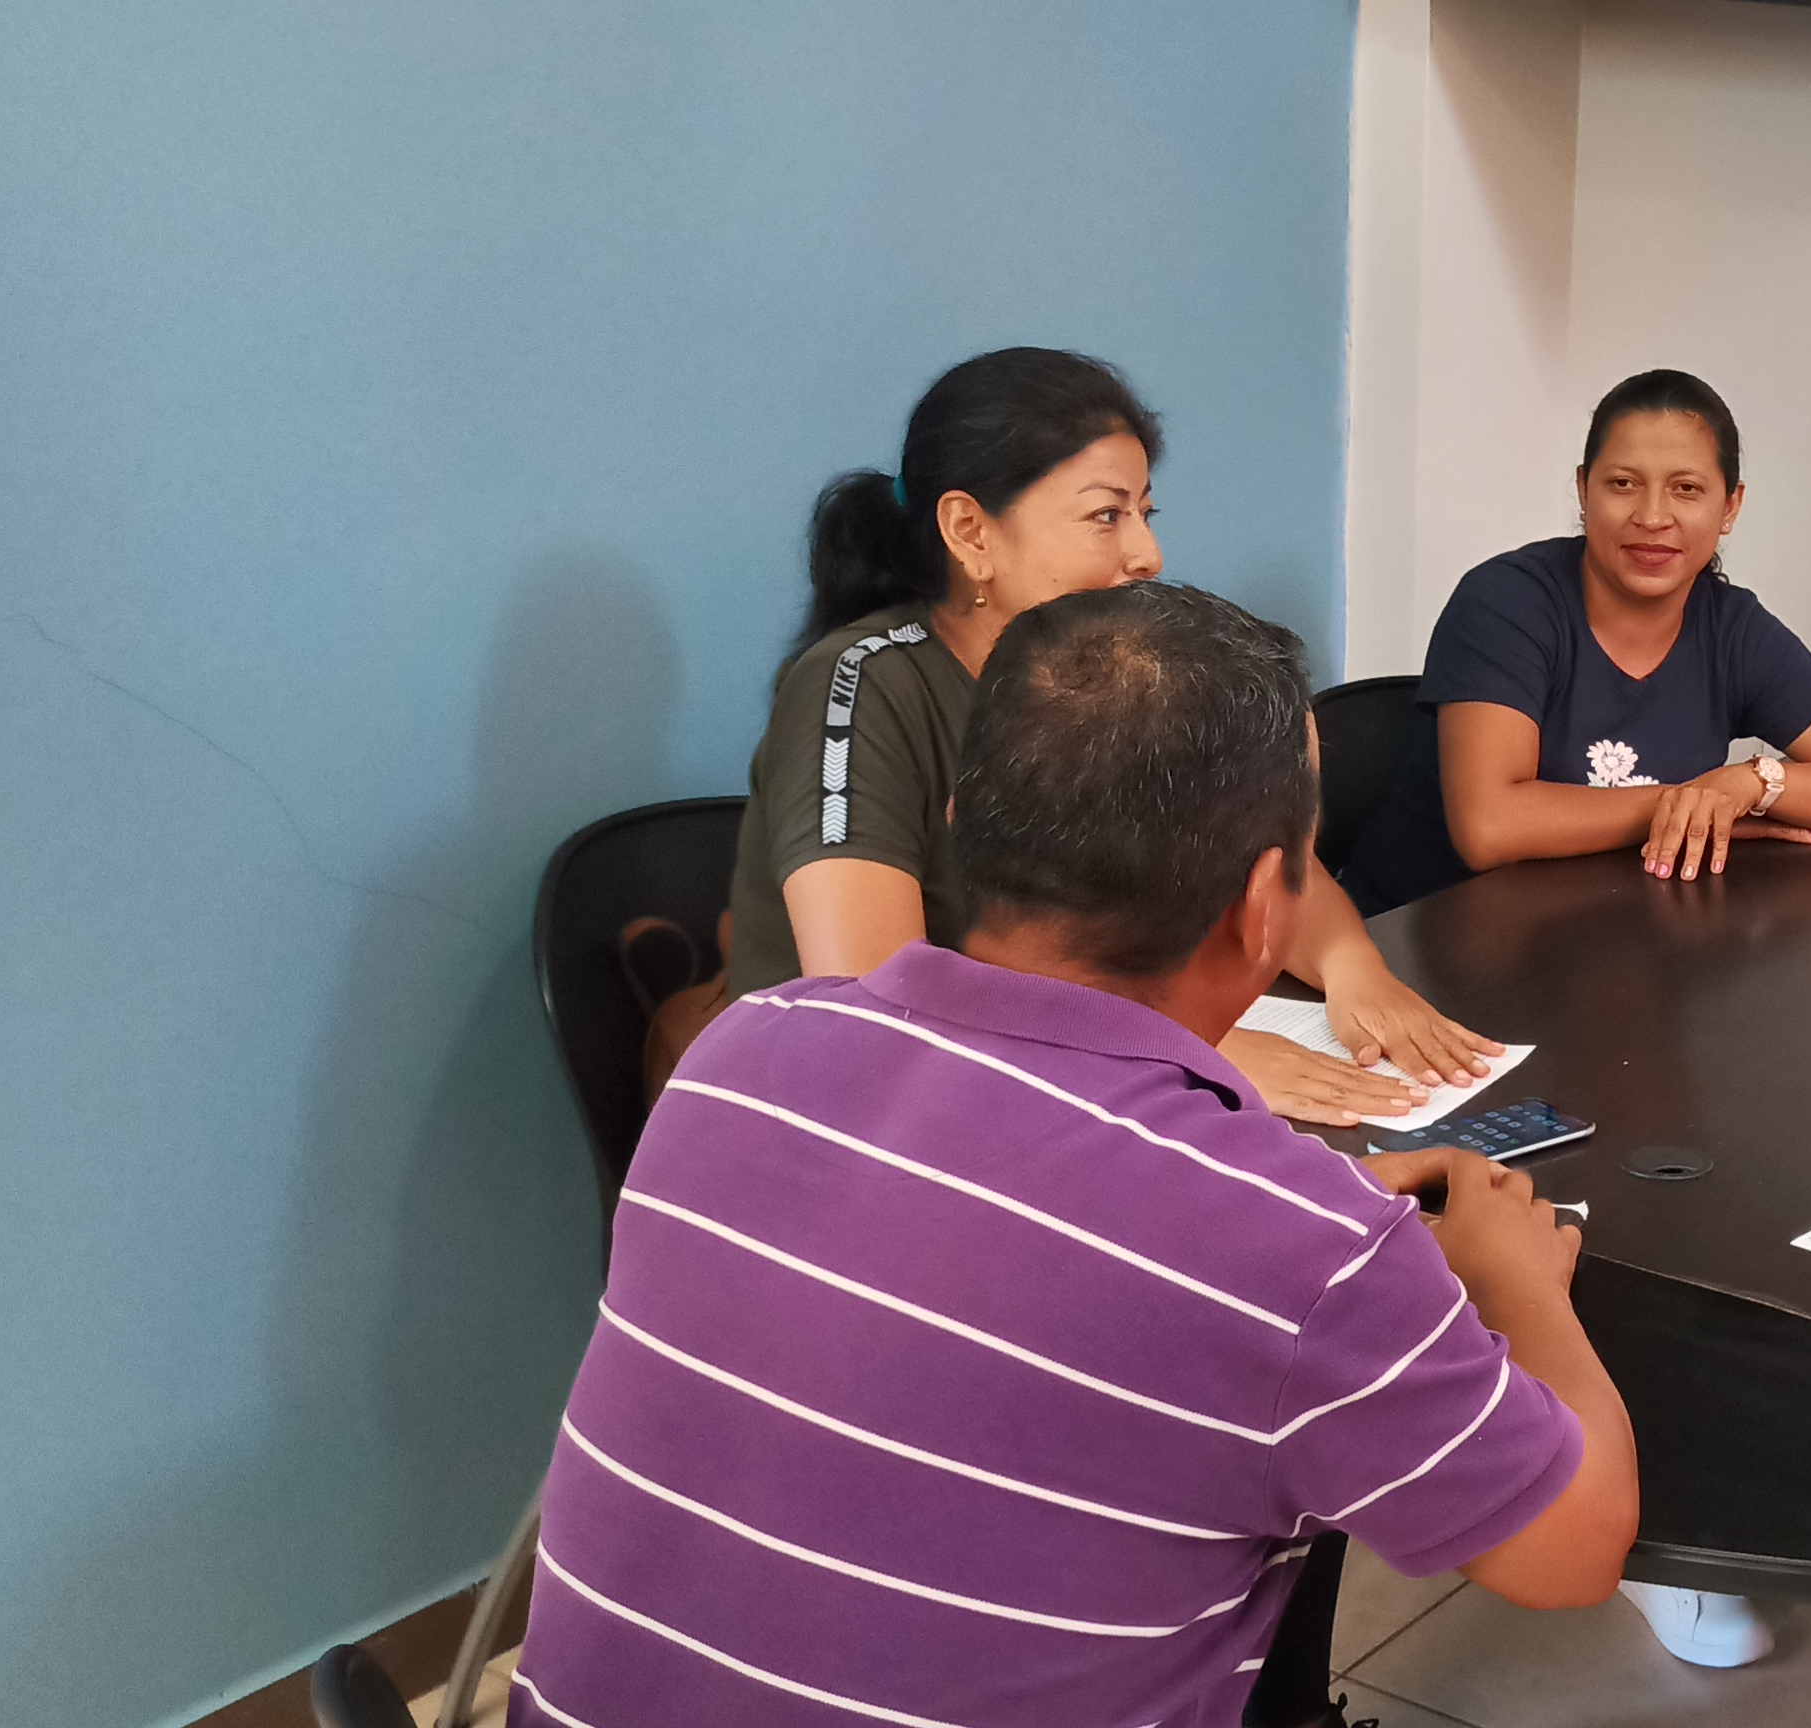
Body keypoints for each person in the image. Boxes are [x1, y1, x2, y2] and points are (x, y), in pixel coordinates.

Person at [506, 584, 1639, 1728]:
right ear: (1264, 909)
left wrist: (1308, 1245)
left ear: (963, 821)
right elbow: (1576, 1549)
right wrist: (1516, 1285)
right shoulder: (1303, 1257)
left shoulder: (739, 1054)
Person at [720, 346, 1499, 1123]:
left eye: (1144, 515)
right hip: (861, 1111)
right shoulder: (860, 686)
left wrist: (1352, 966)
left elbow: (1253, 854)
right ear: (970, 531)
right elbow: (871, 1004)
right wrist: (1176, 1050)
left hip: (1057, 1081)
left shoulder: (1112, 673)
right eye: (1106, 516)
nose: (1146, 555)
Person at [1338, 369, 1811, 915]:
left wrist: (1751, 784)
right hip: (1419, 946)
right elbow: (1490, 826)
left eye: (1686, 489)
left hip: (1606, 940)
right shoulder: (1506, 602)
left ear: (1730, 506)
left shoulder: (1732, 629)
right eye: (1623, 483)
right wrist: (1687, 803)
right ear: (1584, 490)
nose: (1652, 516)